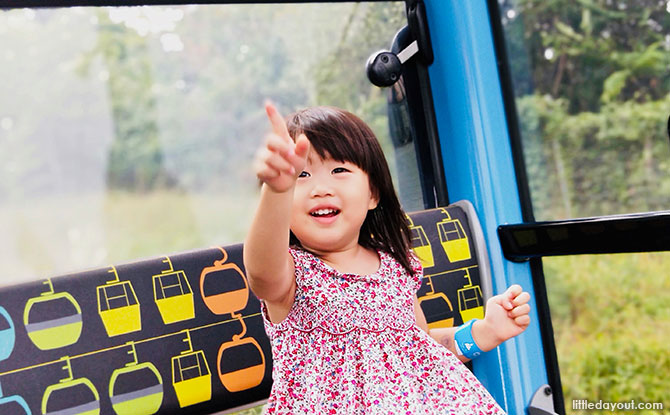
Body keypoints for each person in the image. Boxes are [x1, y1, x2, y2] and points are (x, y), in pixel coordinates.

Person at [244, 102, 531, 414]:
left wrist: (484, 333)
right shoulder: (292, 276)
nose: (321, 188)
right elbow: (261, 271)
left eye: (339, 170)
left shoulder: (396, 267)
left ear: (373, 194)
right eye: (301, 174)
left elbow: (422, 347)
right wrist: (276, 191)